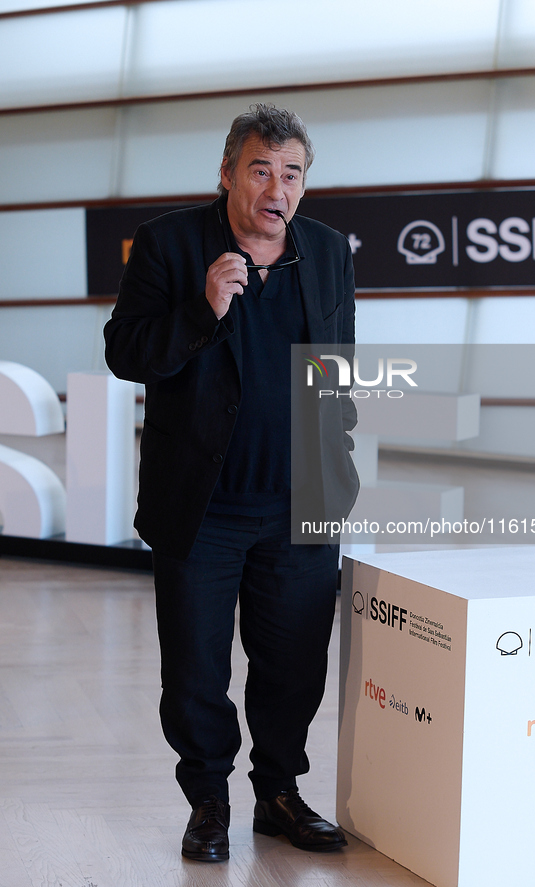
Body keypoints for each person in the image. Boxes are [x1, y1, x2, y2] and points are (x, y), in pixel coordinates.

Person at [104, 103, 358, 862]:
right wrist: (201, 307)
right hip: (203, 509)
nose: (276, 186)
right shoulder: (170, 244)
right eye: (260, 169)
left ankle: (278, 792)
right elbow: (126, 352)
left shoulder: (324, 251)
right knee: (196, 668)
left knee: (293, 664)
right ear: (226, 175)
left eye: (292, 173)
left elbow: (336, 362)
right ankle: (208, 801)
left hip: (300, 503)